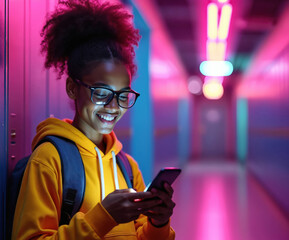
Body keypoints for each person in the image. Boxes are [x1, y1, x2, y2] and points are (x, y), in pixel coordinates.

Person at [11, 0, 176, 239]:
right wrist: (103, 217)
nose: (113, 106)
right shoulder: (49, 160)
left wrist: (159, 223)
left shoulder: (127, 168)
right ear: (72, 88)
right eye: (101, 93)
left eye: (123, 95)